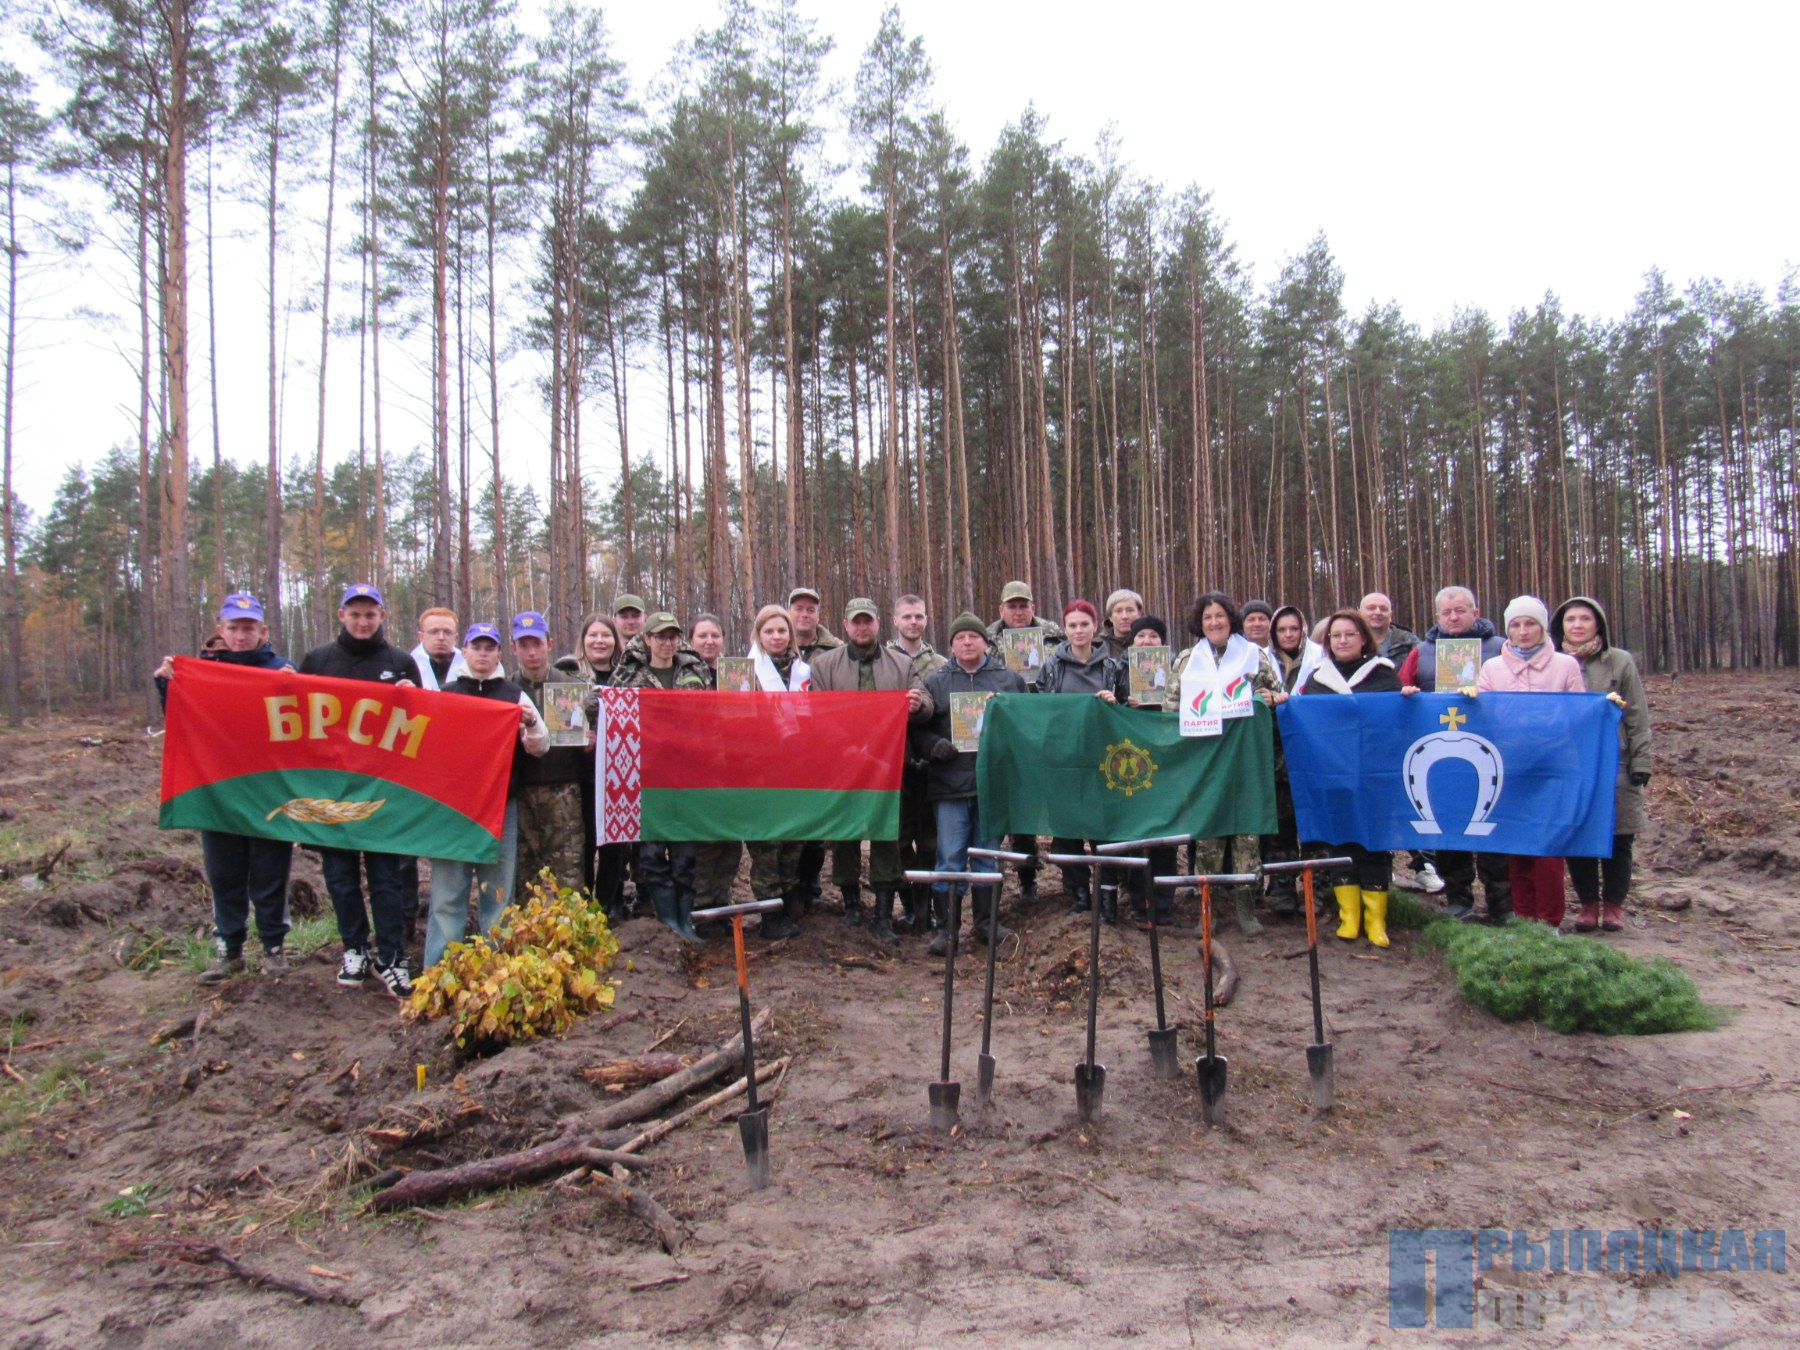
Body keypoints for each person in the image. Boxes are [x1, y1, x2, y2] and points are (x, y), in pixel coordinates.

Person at [154, 592, 297, 982]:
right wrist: (169, 685)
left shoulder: (283, 669)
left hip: (269, 790)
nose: (240, 635)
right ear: (220, 630)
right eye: (233, 627)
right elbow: (184, 723)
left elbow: (303, 730)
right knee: (225, 874)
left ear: (262, 631)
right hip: (219, 790)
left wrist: (295, 689)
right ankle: (229, 950)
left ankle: (274, 948)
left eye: (248, 628)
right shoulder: (201, 670)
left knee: (270, 873)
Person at [298, 583, 424, 996]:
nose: (363, 621)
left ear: (382, 616)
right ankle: (354, 948)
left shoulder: (401, 662)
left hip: (383, 788)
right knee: (340, 876)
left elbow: (422, 727)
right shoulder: (318, 660)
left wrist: (414, 699)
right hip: (332, 787)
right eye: (355, 614)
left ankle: (392, 956)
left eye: (371, 614)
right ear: (342, 616)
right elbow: (296, 719)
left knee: (388, 877)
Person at [422, 624, 550, 968]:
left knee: (497, 894)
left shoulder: (514, 696)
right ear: (464, 650)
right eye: (476, 646)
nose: (482, 653)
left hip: (499, 807)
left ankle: (496, 973)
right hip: (453, 809)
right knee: (448, 895)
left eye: (488, 647)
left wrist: (531, 724)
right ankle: (439, 973)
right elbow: (427, 746)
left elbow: (540, 747)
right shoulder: (445, 694)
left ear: (499, 653)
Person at [910, 613, 1027, 955]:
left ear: (984, 641)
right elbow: (917, 728)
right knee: (949, 857)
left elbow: (1026, 723)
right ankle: (947, 929)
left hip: (993, 782)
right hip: (949, 785)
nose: (966, 643)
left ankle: (986, 923)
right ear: (951, 645)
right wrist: (933, 746)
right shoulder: (936, 681)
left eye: (973, 637)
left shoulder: (1008, 679)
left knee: (988, 856)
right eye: (959, 638)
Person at [1173, 591, 1285, 937]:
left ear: (1230, 619)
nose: (1214, 622)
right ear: (1199, 623)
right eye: (1208, 617)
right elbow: (1170, 706)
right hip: (1205, 761)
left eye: (1220, 615)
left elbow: (1276, 695)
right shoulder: (1188, 659)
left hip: (1246, 761)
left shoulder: (1254, 656)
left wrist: (1269, 698)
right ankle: (1207, 910)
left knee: (1246, 835)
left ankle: (1246, 908)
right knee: (1208, 837)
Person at [1397, 586, 1510, 923]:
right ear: (1436, 617)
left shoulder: (1502, 648)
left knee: (1492, 828)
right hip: (1441, 754)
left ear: (1476, 612)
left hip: (1494, 752)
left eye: (1460, 611)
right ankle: (1458, 899)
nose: (1454, 617)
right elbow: (1399, 692)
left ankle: (1501, 904)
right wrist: (1407, 693)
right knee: (1449, 828)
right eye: (1446, 613)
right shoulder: (1422, 651)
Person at [1475, 596, 1585, 930]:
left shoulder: (1566, 665)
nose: (1523, 632)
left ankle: (1550, 920)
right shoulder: (1492, 668)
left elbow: (1580, 715)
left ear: (1542, 627)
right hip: (1511, 768)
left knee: (1548, 848)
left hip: (1553, 768)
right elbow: (1484, 716)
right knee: (1516, 845)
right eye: (1516, 625)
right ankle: (1524, 918)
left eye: (1531, 624)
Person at [810, 598, 916, 941]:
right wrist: (849, 747)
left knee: (886, 835)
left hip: (887, 765)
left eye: (867, 621)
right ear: (845, 625)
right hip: (843, 764)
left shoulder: (902, 664)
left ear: (878, 623)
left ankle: (884, 913)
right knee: (845, 834)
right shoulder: (824, 665)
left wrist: (918, 704)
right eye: (856, 622)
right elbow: (818, 713)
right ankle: (852, 904)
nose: (862, 627)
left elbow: (925, 700)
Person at [1300, 610, 1403, 946]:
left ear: (1363, 638)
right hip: (1335, 775)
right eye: (1335, 636)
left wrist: (1410, 699)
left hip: (1374, 776)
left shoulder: (1385, 675)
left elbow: (1397, 722)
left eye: (1349, 634)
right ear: (1327, 642)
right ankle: (1349, 916)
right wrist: (1289, 704)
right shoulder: (1317, 680)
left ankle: (1376, 921)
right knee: (1341, 840)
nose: (1342, 641)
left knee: (1373, 843)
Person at [1550, 596, 1652, 934]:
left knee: (1618, 836)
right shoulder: (1552, 662)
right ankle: (1588, 904)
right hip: (1571, 764)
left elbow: (1636, 714)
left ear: (1599, 625)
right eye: (1570, 620)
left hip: (1615, 761)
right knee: (1579, 833)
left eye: (1585, 619)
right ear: (1560, 626)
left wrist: (1641, 760)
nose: (1577, 625)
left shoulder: (1620, 662)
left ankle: (1613, 905)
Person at [614, 613, 714, 939]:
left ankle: (686, 920)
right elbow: (599, 705)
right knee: (651, 855)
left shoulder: (694, 668)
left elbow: (717, 708)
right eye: (660, 636)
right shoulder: (630, 672)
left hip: (687, 776)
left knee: (686, 855)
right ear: (647, 639)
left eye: (672, 636)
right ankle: (668, 921)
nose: (667, 642)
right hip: (647, 778)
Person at [1037, 600, 1128, 921]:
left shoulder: (1112, 667)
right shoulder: (1051, 666)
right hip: (1064, 760)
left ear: (1094, 628)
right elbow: (1037, 709)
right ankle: (1078, 893)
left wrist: (1113, 702)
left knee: (1105, 831)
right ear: (1065, 629)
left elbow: (1129, 714)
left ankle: (1107, 898)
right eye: (1072, 625)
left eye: (1084, 624)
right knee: (1067, 831)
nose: (1078, 631)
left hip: (1103, 760)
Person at [737, 605, 814, 940]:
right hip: (759, 769)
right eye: (769, 631)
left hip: (796, 767)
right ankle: (769, 910)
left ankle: (788, 898)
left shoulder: (803, 671)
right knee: (767, 842)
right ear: (758, 635)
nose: (777, 637)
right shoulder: (746, 671)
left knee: (793, 837)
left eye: (782, 631)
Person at [986, 581, 1062, 905]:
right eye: (1011, 606)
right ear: (1001, 610)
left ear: (1033, 607)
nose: (1018, 612)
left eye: (1023, 606)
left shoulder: (1054, 639)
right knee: (1010, 807)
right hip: (1006, 732)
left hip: (1046, 730)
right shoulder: (987, 640)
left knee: (1048, 804)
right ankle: (1011, 879)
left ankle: (1060, 877)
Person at [509, 611, 588, 899]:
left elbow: (590, 746)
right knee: (524, 875)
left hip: (564, 791)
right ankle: (527, 937)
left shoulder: (571, 687)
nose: (531, 652)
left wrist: (589, 743)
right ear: (513, 648)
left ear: (549, 644)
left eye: (537, 644)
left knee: (569, 872)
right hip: (521, 793)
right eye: (524, 644)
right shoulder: (506, 691)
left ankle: (571, 935)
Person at [889, 594, 947, 932]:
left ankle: (934, 910)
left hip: (933, 764)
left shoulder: (940, 663)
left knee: (932, 842)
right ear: (895, 620)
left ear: (926, 620)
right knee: (897, 841)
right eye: (907, 617)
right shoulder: (885, 661)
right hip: (894, 762)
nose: (913, 622)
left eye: (919, 617)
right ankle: (909, 906)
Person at [1262, 605, 1324, 916]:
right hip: (1274, 753)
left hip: (1312, 752)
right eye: (1282, 629)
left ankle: (1319, 892)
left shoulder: (1320, 658)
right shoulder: (1261, 660)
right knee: (1280, 827)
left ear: (1303, 630)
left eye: (1293, 629)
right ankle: (1282, 891)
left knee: (1314, 826)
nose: (1288, 634)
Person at [410, 607, 468, 692]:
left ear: (456, 638)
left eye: (447, 632)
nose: (441, 637)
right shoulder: (407, 666)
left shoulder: (468, 666)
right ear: (421, 637)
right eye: (434, 632)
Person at [1360, 591, 1420, 665]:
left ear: (1390, 615)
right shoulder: (1348, 641)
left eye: (1383, 609)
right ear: (1359, 613)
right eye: (1371, 608)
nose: (1378, 612)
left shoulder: (1408, 643)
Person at [1099, 589, 1144, 658]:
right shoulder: (1097, 647)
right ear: (1110, 616)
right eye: (1118, 611)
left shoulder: (1150, 643)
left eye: (1130, 610)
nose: (1124, 616)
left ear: (1139, 614)